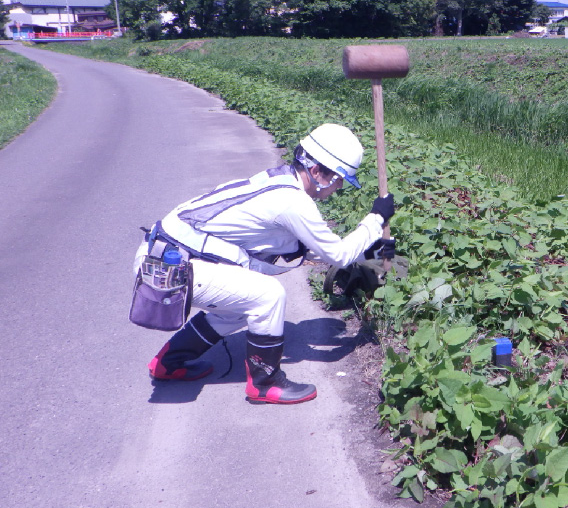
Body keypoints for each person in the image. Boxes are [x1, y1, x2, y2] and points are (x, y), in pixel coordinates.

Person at [134, 123, 394, 404]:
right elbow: (338, 256)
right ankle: (264, 383)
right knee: (268, 296)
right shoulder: (292, 202)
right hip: (170, 265)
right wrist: (376, 219)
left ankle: (169, 363)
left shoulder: (280, 182)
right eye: (339, 179)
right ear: (318, 171)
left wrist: (370, 250)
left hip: (163, 255)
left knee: (237, 306)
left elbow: (306, 249)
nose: (340, 186)